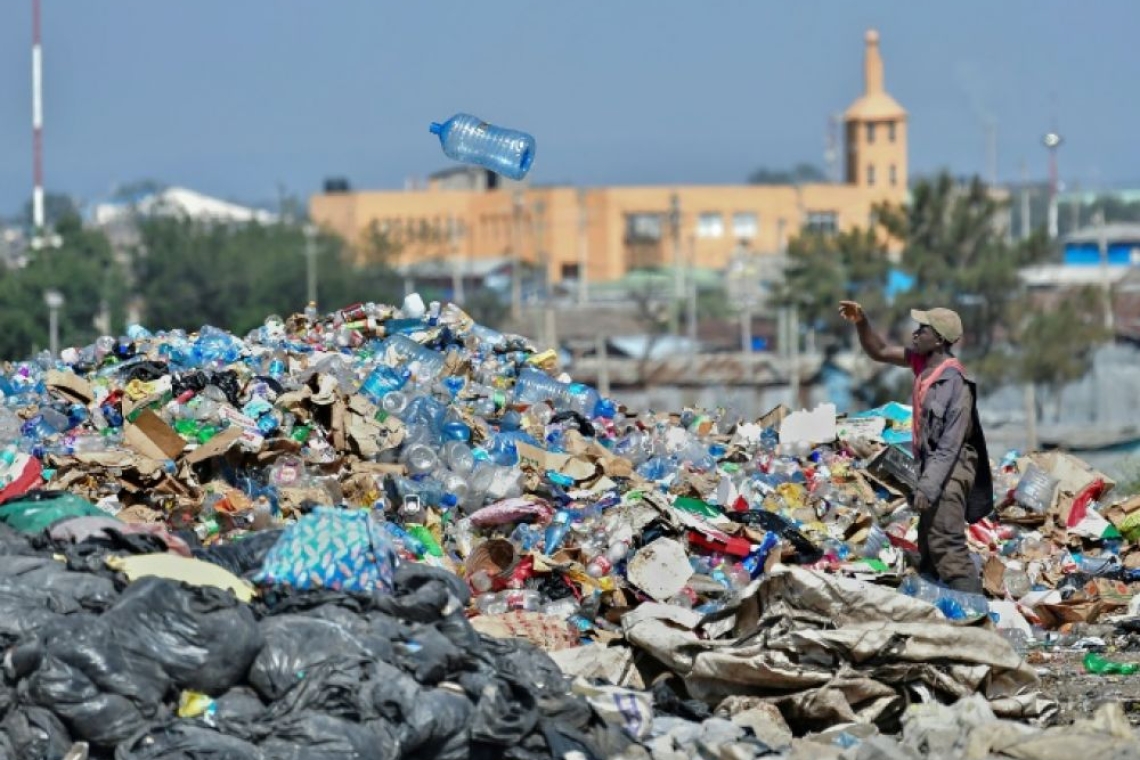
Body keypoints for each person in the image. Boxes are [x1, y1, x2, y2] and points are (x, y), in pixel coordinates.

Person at [838, 301, 992, 593]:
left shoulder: (954, 384)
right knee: (929, 549)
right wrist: (861, 320)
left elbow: (950, 445)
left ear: (939, 340)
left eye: (924, 329)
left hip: (951, 471)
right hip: (935, 469)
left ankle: (976, 619)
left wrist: (927, 488)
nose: (916, 333)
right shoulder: (922, 364)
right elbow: (879, 351)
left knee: (947, 545)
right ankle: (941, 615)